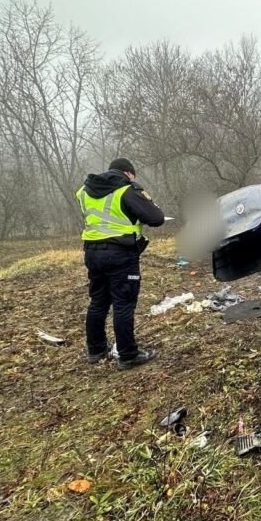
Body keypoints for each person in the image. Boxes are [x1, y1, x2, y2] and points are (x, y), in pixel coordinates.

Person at [75, 157, 165, 370]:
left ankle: (95, 349)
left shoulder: (84, 191)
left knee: (98, 301)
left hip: (92, 253)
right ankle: (128, 354)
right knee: (123, 304)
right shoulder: (126, 190)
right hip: (120, 254)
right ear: (129, 173)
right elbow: (156, 218)